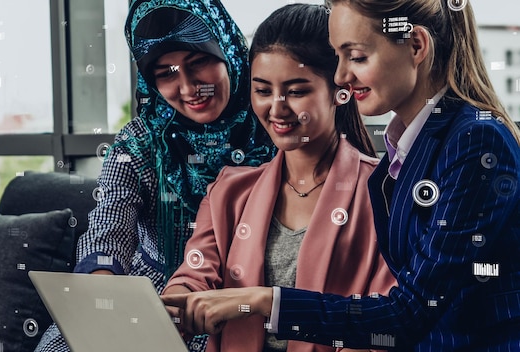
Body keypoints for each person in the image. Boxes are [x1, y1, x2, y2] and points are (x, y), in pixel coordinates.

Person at [163, 0, 520, 350]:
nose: (341, 76)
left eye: (357, 57)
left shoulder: (473, 142)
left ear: (416, 46)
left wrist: (265, 301)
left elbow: (405, 314)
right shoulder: (408, 155)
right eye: (339, 56)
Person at [33, 0, 274, 351]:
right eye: (166, 73)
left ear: (225, 48)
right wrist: (104, 292)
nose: (189, 88)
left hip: (238, 302)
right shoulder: (142, 142)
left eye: (199, 62)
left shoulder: (273, 127)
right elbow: (107, 229)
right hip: (152, 299)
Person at [161, 4, 396, 352]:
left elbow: (385, 321)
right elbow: (196, 273)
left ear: (339, 91)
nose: (276, 108)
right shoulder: (229, 191)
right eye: (263, 90)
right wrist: (179, 300)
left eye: (296, 91)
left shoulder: (384, 192)